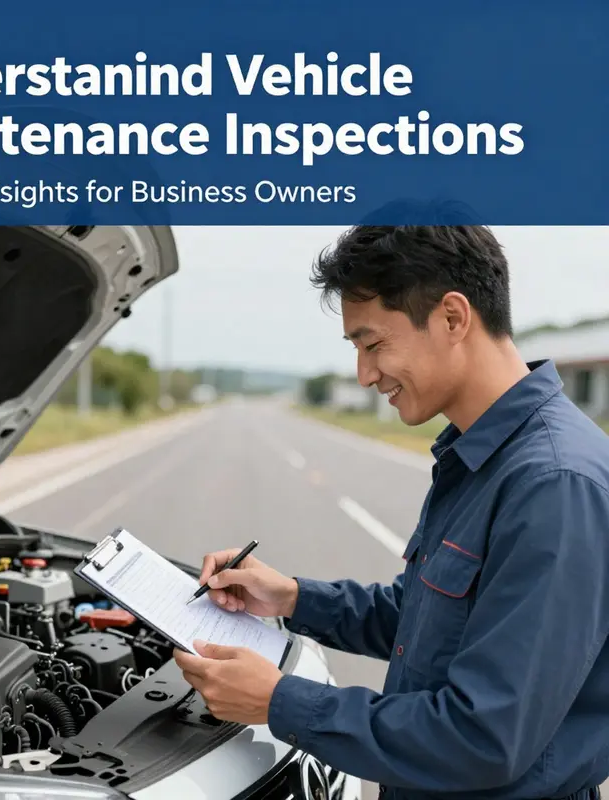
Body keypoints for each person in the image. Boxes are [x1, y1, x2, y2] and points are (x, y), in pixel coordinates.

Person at [174, 224, 609, 800]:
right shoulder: (477, 451)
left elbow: (484, 738)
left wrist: (280, 701)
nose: (364, 375)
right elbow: (424, 621)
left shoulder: (552, 484)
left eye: (373, 344)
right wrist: (293, 598)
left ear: (453, 318)